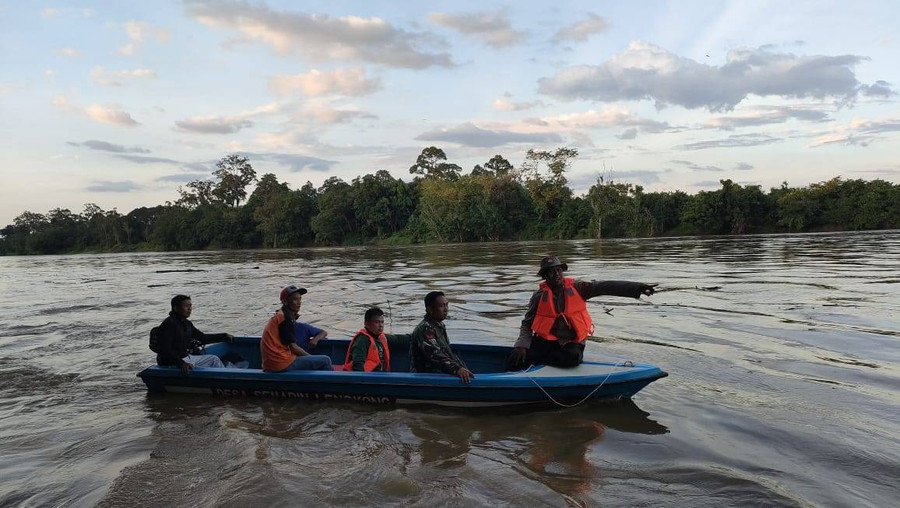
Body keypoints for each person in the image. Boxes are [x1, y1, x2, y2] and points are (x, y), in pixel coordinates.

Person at [507, 256, 657, 370]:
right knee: (517, 357)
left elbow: (606, 286)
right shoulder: (538, 296)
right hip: (546, 341)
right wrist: (521, 346)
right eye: (551, 272)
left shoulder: (579, 288)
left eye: (558, 270)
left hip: (570, 343)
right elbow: (527, 324)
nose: (556, 274)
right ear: (545, 276)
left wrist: (638, 288)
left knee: (572, 358)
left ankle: (542, 363)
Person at [261, 285, 333, 372]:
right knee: (325, 360)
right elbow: (293, 348)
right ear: (285, 302)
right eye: (295, 299)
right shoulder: (284, 319)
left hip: (273, 363)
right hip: (280, 363)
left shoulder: (280, 316)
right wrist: (311, 359)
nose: (299, 302)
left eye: (300, 299)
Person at [155, 295, 234, 374]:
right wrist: (181, 363)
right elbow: (165, 350)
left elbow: (202, 338)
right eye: (186, 306)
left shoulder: (187, 323)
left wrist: (224, 336)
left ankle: (225, 381)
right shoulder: (169, 324)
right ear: (176, 308)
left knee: (214, 359)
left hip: (186, 357)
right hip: (172, 362)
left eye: (190, 306)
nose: (189, 309)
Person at [409, 291, 475, 384]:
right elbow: (435, 355)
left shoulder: (439, 325)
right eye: (441, 306)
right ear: (430, 309)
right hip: (426, 377)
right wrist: (457, 369)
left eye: (446, 305)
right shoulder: (425, 328)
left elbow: (446, 352)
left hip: (439, 372)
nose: (446, 309)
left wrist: (462, 367)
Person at [343, 307, 410, 372]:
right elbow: (358, 367)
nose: (381, 325)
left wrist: (416, 335)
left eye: (382, 322)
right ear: (366, 323)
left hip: (380, 376)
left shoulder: (381, 337)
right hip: (368, 378)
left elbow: (398, 339)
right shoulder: (362, 341)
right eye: (377, 322)